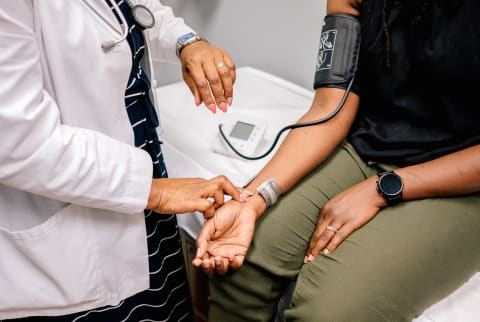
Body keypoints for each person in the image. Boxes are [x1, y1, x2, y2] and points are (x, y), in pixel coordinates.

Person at [193, 0, 480, 321]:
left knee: (330, 313)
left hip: (466, 178)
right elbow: (329, 110)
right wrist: (255, 199)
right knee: (239, 257)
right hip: (370, 144)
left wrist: (380, 191)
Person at [0, 1, 241, 321]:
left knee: (165, 305)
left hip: (142, 189)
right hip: (72, 232)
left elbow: (131, 10)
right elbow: (18, 142)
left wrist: (186, 42)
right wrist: (154, 191)